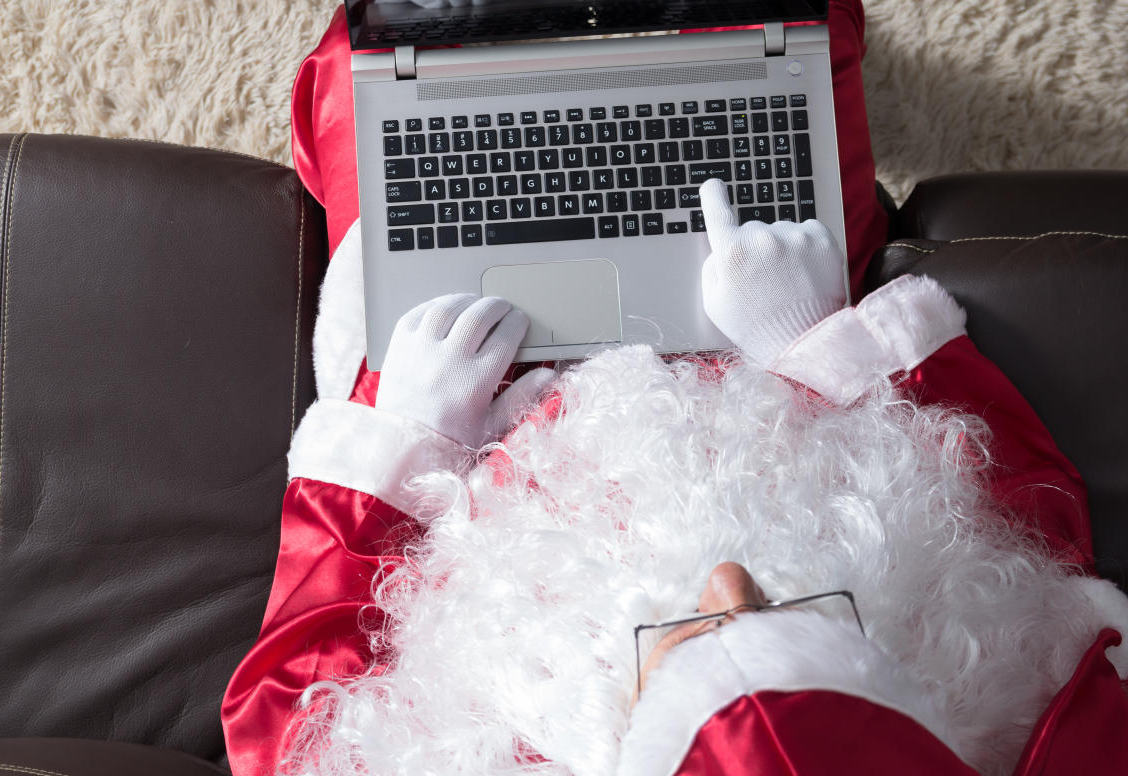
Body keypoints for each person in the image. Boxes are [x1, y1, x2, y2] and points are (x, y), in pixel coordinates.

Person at [222, 2, 1128, 773]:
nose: (729, 580)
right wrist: (816, 336)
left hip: (470, 404)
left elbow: (289, 726)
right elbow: (1032, 533)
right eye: (798, 616)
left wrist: (408, 446)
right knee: (776, 39)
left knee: (389, 71)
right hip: (774, 342)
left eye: (693, 638)